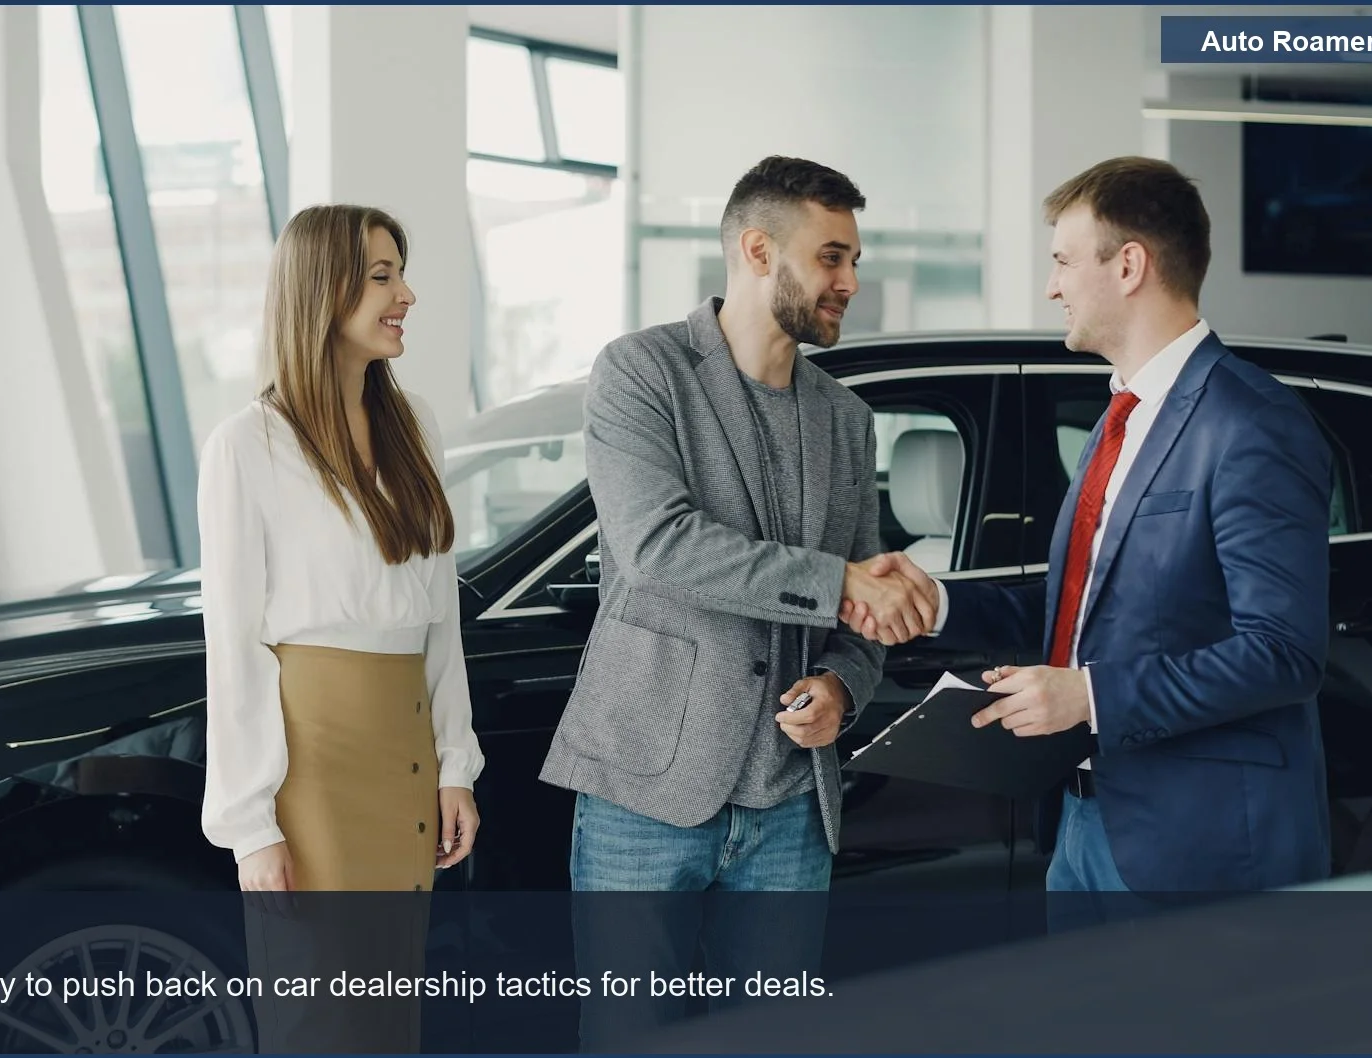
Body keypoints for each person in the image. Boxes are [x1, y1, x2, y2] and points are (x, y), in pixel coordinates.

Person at [848, 157, 1334, 913]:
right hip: (1081, 821)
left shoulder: (1250, 422)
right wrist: (937, 604)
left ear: (1130, 264)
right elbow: (1080, 603)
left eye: (1065, 261)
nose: (1053, 286)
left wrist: (1090, 695)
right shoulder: (1120, 418)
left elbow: (1283, 651)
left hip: (1193, 846)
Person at [538, 156, 934, 1046]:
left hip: (792, 806)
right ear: (759, 250)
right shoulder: (643, 372)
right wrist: (838, 585)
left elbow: (863, 607)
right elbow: (658, 544)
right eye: (832, 258)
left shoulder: (845, 417)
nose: (851, 282)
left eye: (854, 260)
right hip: (647, 789)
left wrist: (842, 684)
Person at [196, 203, 484, 1048]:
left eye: (402, 272)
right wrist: (252, 829)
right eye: (383, 275)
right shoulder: (247, 444)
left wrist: (455, 764)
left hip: (405, 766)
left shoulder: (414, 425)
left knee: (392, 1021)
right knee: (319, 1019)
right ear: (322, 291)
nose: (408, 295)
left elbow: (440, 616)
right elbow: (235, 646)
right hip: (312, 777)